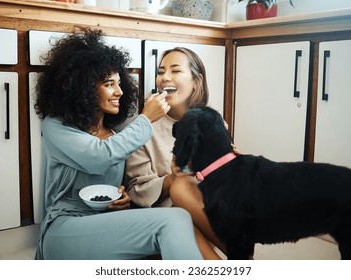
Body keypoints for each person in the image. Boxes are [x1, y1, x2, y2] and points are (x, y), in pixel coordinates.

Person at [33, 28, 203, 260]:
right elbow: (99, 157)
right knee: (175, 221)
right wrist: (145, 119)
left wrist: (123, 199)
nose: (120, 91)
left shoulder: (117, 132)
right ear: (82, 87)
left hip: (105, 225)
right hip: (65, 228)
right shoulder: (57, 127)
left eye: (120, 83)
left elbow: (122, 183)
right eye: (109, 84)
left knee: (178, 222)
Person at [125, 47, 227, 259]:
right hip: (160, 214)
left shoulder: (213, 123)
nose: (165, 78)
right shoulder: (143, 127)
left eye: (175, 71)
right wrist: (173, 179)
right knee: (180, 191)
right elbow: (136, 190)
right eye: (161, 72)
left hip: (203, 211)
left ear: (196, 81)